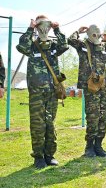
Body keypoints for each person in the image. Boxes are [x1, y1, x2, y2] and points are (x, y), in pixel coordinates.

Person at [16, 15, 68, 169]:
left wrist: (57, 29)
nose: (44, 28)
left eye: (46, 25)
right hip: (37, 93)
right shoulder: (32, 46)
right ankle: (38, 157)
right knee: (38, 124)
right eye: (41, 25)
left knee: (50, 123)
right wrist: (30, 28)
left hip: (52, 91)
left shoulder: (53, 46)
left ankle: (49, 155)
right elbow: (22, 46)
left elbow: (64, 45)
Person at [68, 25, 106, 157]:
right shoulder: (83, 45)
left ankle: (99, 146)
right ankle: (89, 147)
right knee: (93, 116)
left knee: (103, 116)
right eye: (94, 34)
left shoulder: (103, 47)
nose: (96, 36)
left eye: (98, 34)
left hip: (103, 84)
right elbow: (70, 40)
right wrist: (78, 31)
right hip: (90, 85)